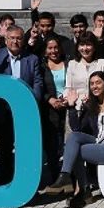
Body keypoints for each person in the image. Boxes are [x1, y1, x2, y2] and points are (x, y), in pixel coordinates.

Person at [44, 72, 104, 208]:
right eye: (92, 83)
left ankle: (82, 189)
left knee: (75, 150)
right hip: (100, 144)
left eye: (98, 82)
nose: (94, 86)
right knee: (74, 138)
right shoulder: (91, 107)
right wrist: (72, 106)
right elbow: (77, 129)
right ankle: (67, 177)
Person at [0, 25, 44, 184]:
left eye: (19, 38)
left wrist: (31, 103)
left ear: (24, 40)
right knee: (5, 145)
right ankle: (6, 177)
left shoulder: (32, 59)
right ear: (5, 40)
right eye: (12, 38)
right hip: (2, 111)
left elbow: (37, 83)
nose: (15, 41)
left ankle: (26, 178)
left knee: (24, 145)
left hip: (24, 110)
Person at [65, 33, 104, 132]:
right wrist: (65, 98)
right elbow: (68, 87)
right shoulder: (72, 64)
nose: (85, 48)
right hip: (76, 109)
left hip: (98, 110)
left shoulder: (103, 64)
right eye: (82, 45)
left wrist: (92, 97)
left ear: (94, 47)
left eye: (88, 45)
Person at [38, 35, 70, 186]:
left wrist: (67, 97)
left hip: (68, 107)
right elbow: (38, 86)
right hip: (50, 110)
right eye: (50, 48)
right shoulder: (41, 66)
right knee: (52, 145)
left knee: (68, 142)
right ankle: (55, 177)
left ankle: (69, 176)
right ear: (45, 51)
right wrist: (50, 99)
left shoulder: (69, 64)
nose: (53, 51)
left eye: (56, 47)